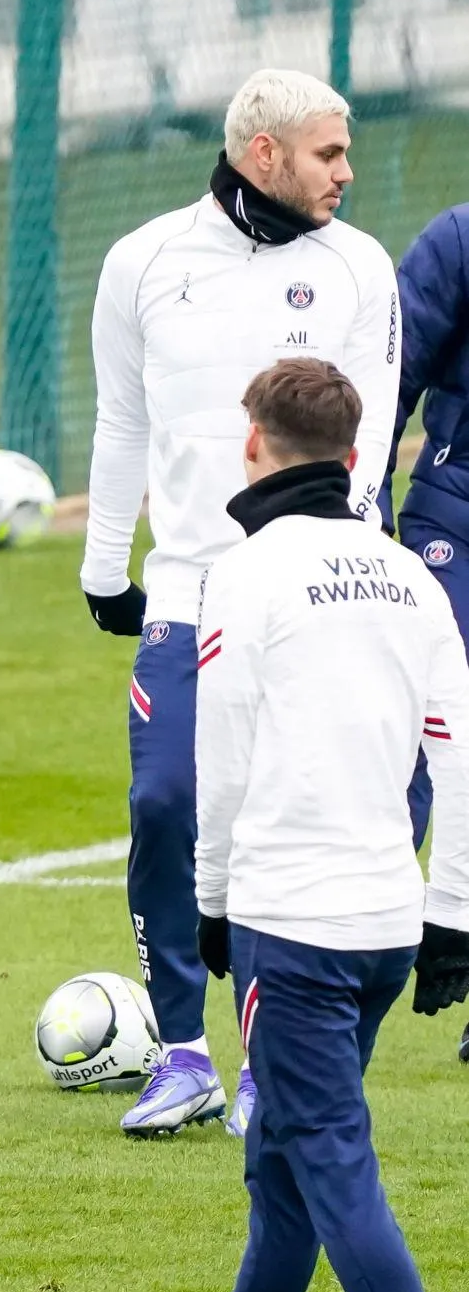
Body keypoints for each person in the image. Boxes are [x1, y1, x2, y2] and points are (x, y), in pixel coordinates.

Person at [82, 69, 402, 1137]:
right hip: (187, 588)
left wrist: (329, 570)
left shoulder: (361, 269)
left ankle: (274, 1058)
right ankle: (181, 1052)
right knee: (166, 802)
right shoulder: (143, 263)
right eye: (328, 154)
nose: (346, 174)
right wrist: (102, 569)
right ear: (263, 154)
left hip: (310, 591)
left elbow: (366, 451)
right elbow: (121, 421)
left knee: (286, 820)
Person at [194, 356, 469, 1292]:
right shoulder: (410, 577)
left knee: (335, 1175)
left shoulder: (241, 574)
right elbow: (459, 753)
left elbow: (220, 755)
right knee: (283, 1174)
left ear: (251, 446)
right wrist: (454, 915)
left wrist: (212, 903)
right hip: (386, 930)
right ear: (357, 458)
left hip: (293, 930)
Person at [378, 204, 469, 1056]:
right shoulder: (460, 238)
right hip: (457, 511)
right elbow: (393, 370)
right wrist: (365, 497)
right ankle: (357, 940)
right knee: (416, 724)